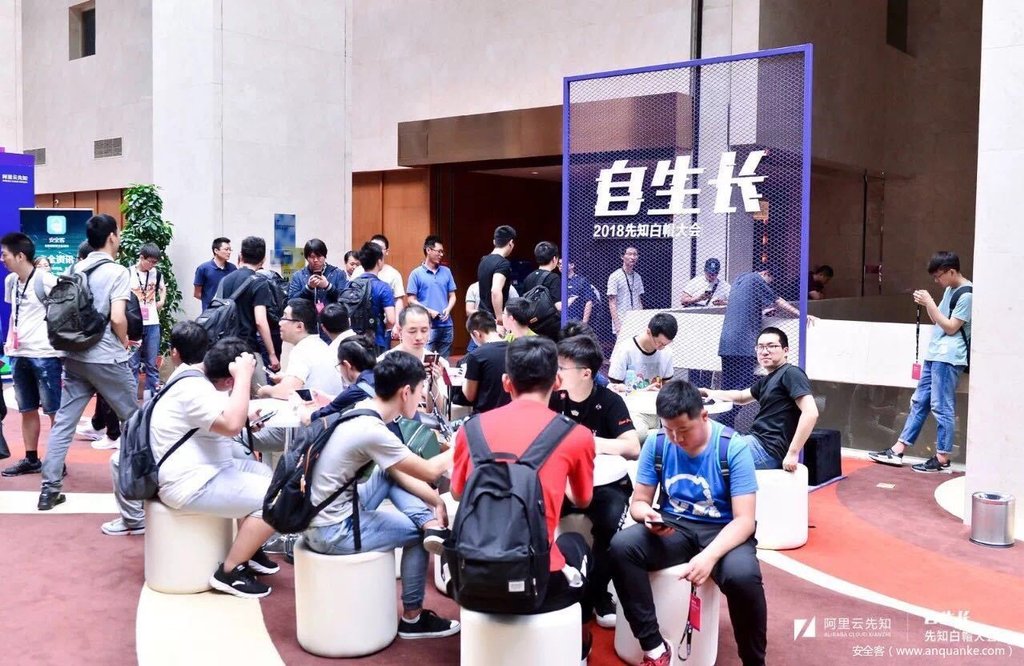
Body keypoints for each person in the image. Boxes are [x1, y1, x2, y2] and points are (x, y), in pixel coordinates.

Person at [450, 337, 596, 658]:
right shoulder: (577, 435)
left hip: (473, 578)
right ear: (557, 382)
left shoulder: (470, 430)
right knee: (576, 544)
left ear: (507, 382)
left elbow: (458, 492)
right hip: (541, 584)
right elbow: (584, 500)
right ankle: (578, 642)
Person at [303, 351, 460, 639]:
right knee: (417, 536)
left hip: (321, 512)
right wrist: (463, 444)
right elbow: (428, 471)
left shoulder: (363, 409)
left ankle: (430, 525)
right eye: (421, 391)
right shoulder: (374, 431)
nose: (421, 398)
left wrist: (436, 501)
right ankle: (413, 618)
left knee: (388, 474)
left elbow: (395, 470)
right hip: (332, 530)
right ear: (405, 392)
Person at [609, 379, 766, 666]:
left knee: (743, 578)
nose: (676, 439)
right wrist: (647, 515)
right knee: (622, 547)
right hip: (674, 526)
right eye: (669, 429)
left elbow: (745, 521)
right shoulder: (657, 443)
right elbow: (639, 502)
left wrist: (709, 556)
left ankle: (754, 661)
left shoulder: (732, 447)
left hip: (723, 530)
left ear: (703, 416)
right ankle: (654, 648)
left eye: (683, 430)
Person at [152, 335, 280, 598]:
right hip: (188, 483)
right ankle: (230, 572)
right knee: (277, 499)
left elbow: (221, 419)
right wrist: (244, 377)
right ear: (230, 380)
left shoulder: (196, 377)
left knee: (266, 474)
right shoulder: (194, 389)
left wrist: (246, 416)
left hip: (206, 469)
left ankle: (249, 546)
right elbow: (231, 425)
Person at [37, 214, 140, 511]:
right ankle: (137, 486)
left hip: (75, 355)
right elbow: (118, 317)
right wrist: (124, 340)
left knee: (64, 423)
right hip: (107, 356)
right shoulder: (118, 272)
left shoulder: (74, 268)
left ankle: (49, 490)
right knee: (133, 421)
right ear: (111, 237)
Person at [552, 334, 640, 628]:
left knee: (611, 528)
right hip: (561, 483)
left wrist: (587, 442)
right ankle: (550, 583)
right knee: (532, 513)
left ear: (586, 373)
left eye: (561, 368)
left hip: (605, 485)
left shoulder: (610, 401)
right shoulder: (553, 399)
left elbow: (632, 447)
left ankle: (597, 593)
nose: (556, 374)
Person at [869, 251, 972, 473]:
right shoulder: (950, 290)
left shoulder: (967, 295)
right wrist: (928, 304)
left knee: (941, 406)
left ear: (951, 271)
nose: (937, 280)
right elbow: (937, 320)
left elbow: (951, 327)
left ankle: (942, 457)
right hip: (935, 354)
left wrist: (930, 302)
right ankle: (897, 450)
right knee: (919, 402)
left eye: (938, 276)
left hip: (949, 357)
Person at [106, 321, 211, 536]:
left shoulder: (183, 378)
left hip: (178, 465)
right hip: (190, 452)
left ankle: (134, 519)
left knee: (120, 460)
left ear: (174, 353)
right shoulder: (201, 374)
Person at [701, 327, 818, 471]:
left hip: (767, 449)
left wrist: (793, 453)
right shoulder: (767, 380)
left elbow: (810, 413)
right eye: (760, 347)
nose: (765, 351)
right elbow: (741, 397)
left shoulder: (791, 373)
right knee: (705, 442)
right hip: (754, 441)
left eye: (772, 346)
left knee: (707, 457)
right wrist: (709, 392)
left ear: (786, 351)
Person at [716, 267, 810, 427]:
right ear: (765, 274)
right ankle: (722, 425)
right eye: (769, 282)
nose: (767, 285)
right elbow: (777, 300)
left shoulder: (740, 279)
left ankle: (723, 428)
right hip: (744, 345)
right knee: (742, 389)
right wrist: (802, 315)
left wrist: (764, 312)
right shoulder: (756, 280)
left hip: (727, 344)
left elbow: (745, 306)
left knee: (728, 388)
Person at [1, 232, 62, 478]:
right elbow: (15, 315)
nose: (2, 259)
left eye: (5, 254)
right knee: (26, 408)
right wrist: (9, 346)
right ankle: (31, 458)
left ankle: (57, 461)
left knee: (54, 410)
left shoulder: (47, 280)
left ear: (20, 256)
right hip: (18, 353)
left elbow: (64, 312)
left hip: (45, 353)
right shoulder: (11, 281)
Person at [215, 236, 281, 386]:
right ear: (263, 260)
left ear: (241, 255)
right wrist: (272, 354)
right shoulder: (259, 283)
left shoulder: (225, 280)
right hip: (247, 348)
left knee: (230, 391)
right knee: (260, 391)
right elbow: (260, 321)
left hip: (224, 347)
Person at [257, 299, 345, 400]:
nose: (280, 323)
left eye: (285, 317)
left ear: (299, 326)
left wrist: (265, 390)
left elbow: (286, 392)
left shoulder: (302, 350)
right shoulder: (318, 344)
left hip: (317, 408)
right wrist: (286, 379)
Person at [305, 337, 379, 423]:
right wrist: (330, 398)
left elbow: (311, 419)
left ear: (346, 365)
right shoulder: (382, 377)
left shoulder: (356, 391)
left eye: (339, 365)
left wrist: (301, 410)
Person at [407, 234, 457, 360]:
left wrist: (448, 309)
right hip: (427, 326)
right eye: (438, 251)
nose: (441, 254)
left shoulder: (446, 271)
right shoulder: (416, 273)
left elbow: (453, 296)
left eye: (442, 252)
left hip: (446, 325)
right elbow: (411, 300)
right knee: (424, 360)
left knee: (443, 363)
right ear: (428, 250)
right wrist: (428, 311)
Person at [129, 242, 167, 398]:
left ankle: (152, 399)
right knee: (132, 364)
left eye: (155, 262)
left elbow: (163, 288)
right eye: (150, 261)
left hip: (152, 323)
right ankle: (131, 401)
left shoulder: (156, 274)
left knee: (152, 364)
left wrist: (162, 301)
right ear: (141, 257)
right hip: (134, 325)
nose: (152, 265)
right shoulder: (128, 273)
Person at [354, 234, 406, 340]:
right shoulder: (358, 271)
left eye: (379, 248)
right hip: (359, 329)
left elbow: (398, 300)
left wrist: (397, 325)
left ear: (386, 251)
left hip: (383, 328)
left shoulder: (394, 274)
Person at [286, 238, 348, 326]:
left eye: (319, 256)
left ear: (325, 256)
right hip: (307, 324)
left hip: (332, 323)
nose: (315, 260)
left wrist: (328, 286)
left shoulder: (338, 273)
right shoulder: (298, 276)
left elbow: (344, 300)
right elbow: (291, 302)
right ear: (307, 258)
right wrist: (308, 288)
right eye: (312, 257)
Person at [352, 241, 397, 357]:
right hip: (376, 340)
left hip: (353, 340)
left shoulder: (352, 284)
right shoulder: (383, 287)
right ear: (379, 261)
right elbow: (391, 320)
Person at [608, 312, 677, 387]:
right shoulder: (625, 349)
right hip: (627, 394)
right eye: (659, 343)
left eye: (665, 344)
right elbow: (614, 386)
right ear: (648, 332)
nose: (662, 347)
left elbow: (666, 383)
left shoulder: (667, 352)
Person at [461, 311, 510, 413]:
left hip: (484, 415)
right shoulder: (516, 349)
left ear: (476, 334)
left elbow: (469, 396)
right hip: (511, 413)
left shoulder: (476, 355)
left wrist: (466, 374)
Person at [521, 240, 563, 338]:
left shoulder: (528, 277)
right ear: (554, 259)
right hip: (549, 329)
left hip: (532, 327)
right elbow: (558, 306)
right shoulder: (554, 277)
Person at [464, 280, 518, 353]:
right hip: (480, 327)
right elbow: (469, 310)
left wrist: (502, 322)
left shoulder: (509, 288)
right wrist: (487, 317)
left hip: (503, 330)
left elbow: (515, 309)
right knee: (472, 354)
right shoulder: (474, 287)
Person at [476, 225, 516, 321]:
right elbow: (495, 290)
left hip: (482, 316)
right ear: (511, 243)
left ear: (494, 242)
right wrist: (499, 318)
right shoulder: (503, 263)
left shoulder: (483, 260)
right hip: (492, 319)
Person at [607, 246, 644, 335]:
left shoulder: (638, 277)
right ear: (622, 257)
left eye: (635, 254)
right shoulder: (615, 276)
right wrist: (617, 324)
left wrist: (642, 319)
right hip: (622, 319)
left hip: (636, 320)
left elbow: (639, 300)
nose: (633, 257)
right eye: (629, 254)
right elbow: (612, 302)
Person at [193, 237, 236, 312]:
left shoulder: (233, 268)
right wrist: (209, 301)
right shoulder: (203, 268)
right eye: (226, 249)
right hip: (209, 312)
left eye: (230, 250)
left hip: (228, 312)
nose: (229, 252)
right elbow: (197, 293)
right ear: (216, 250)